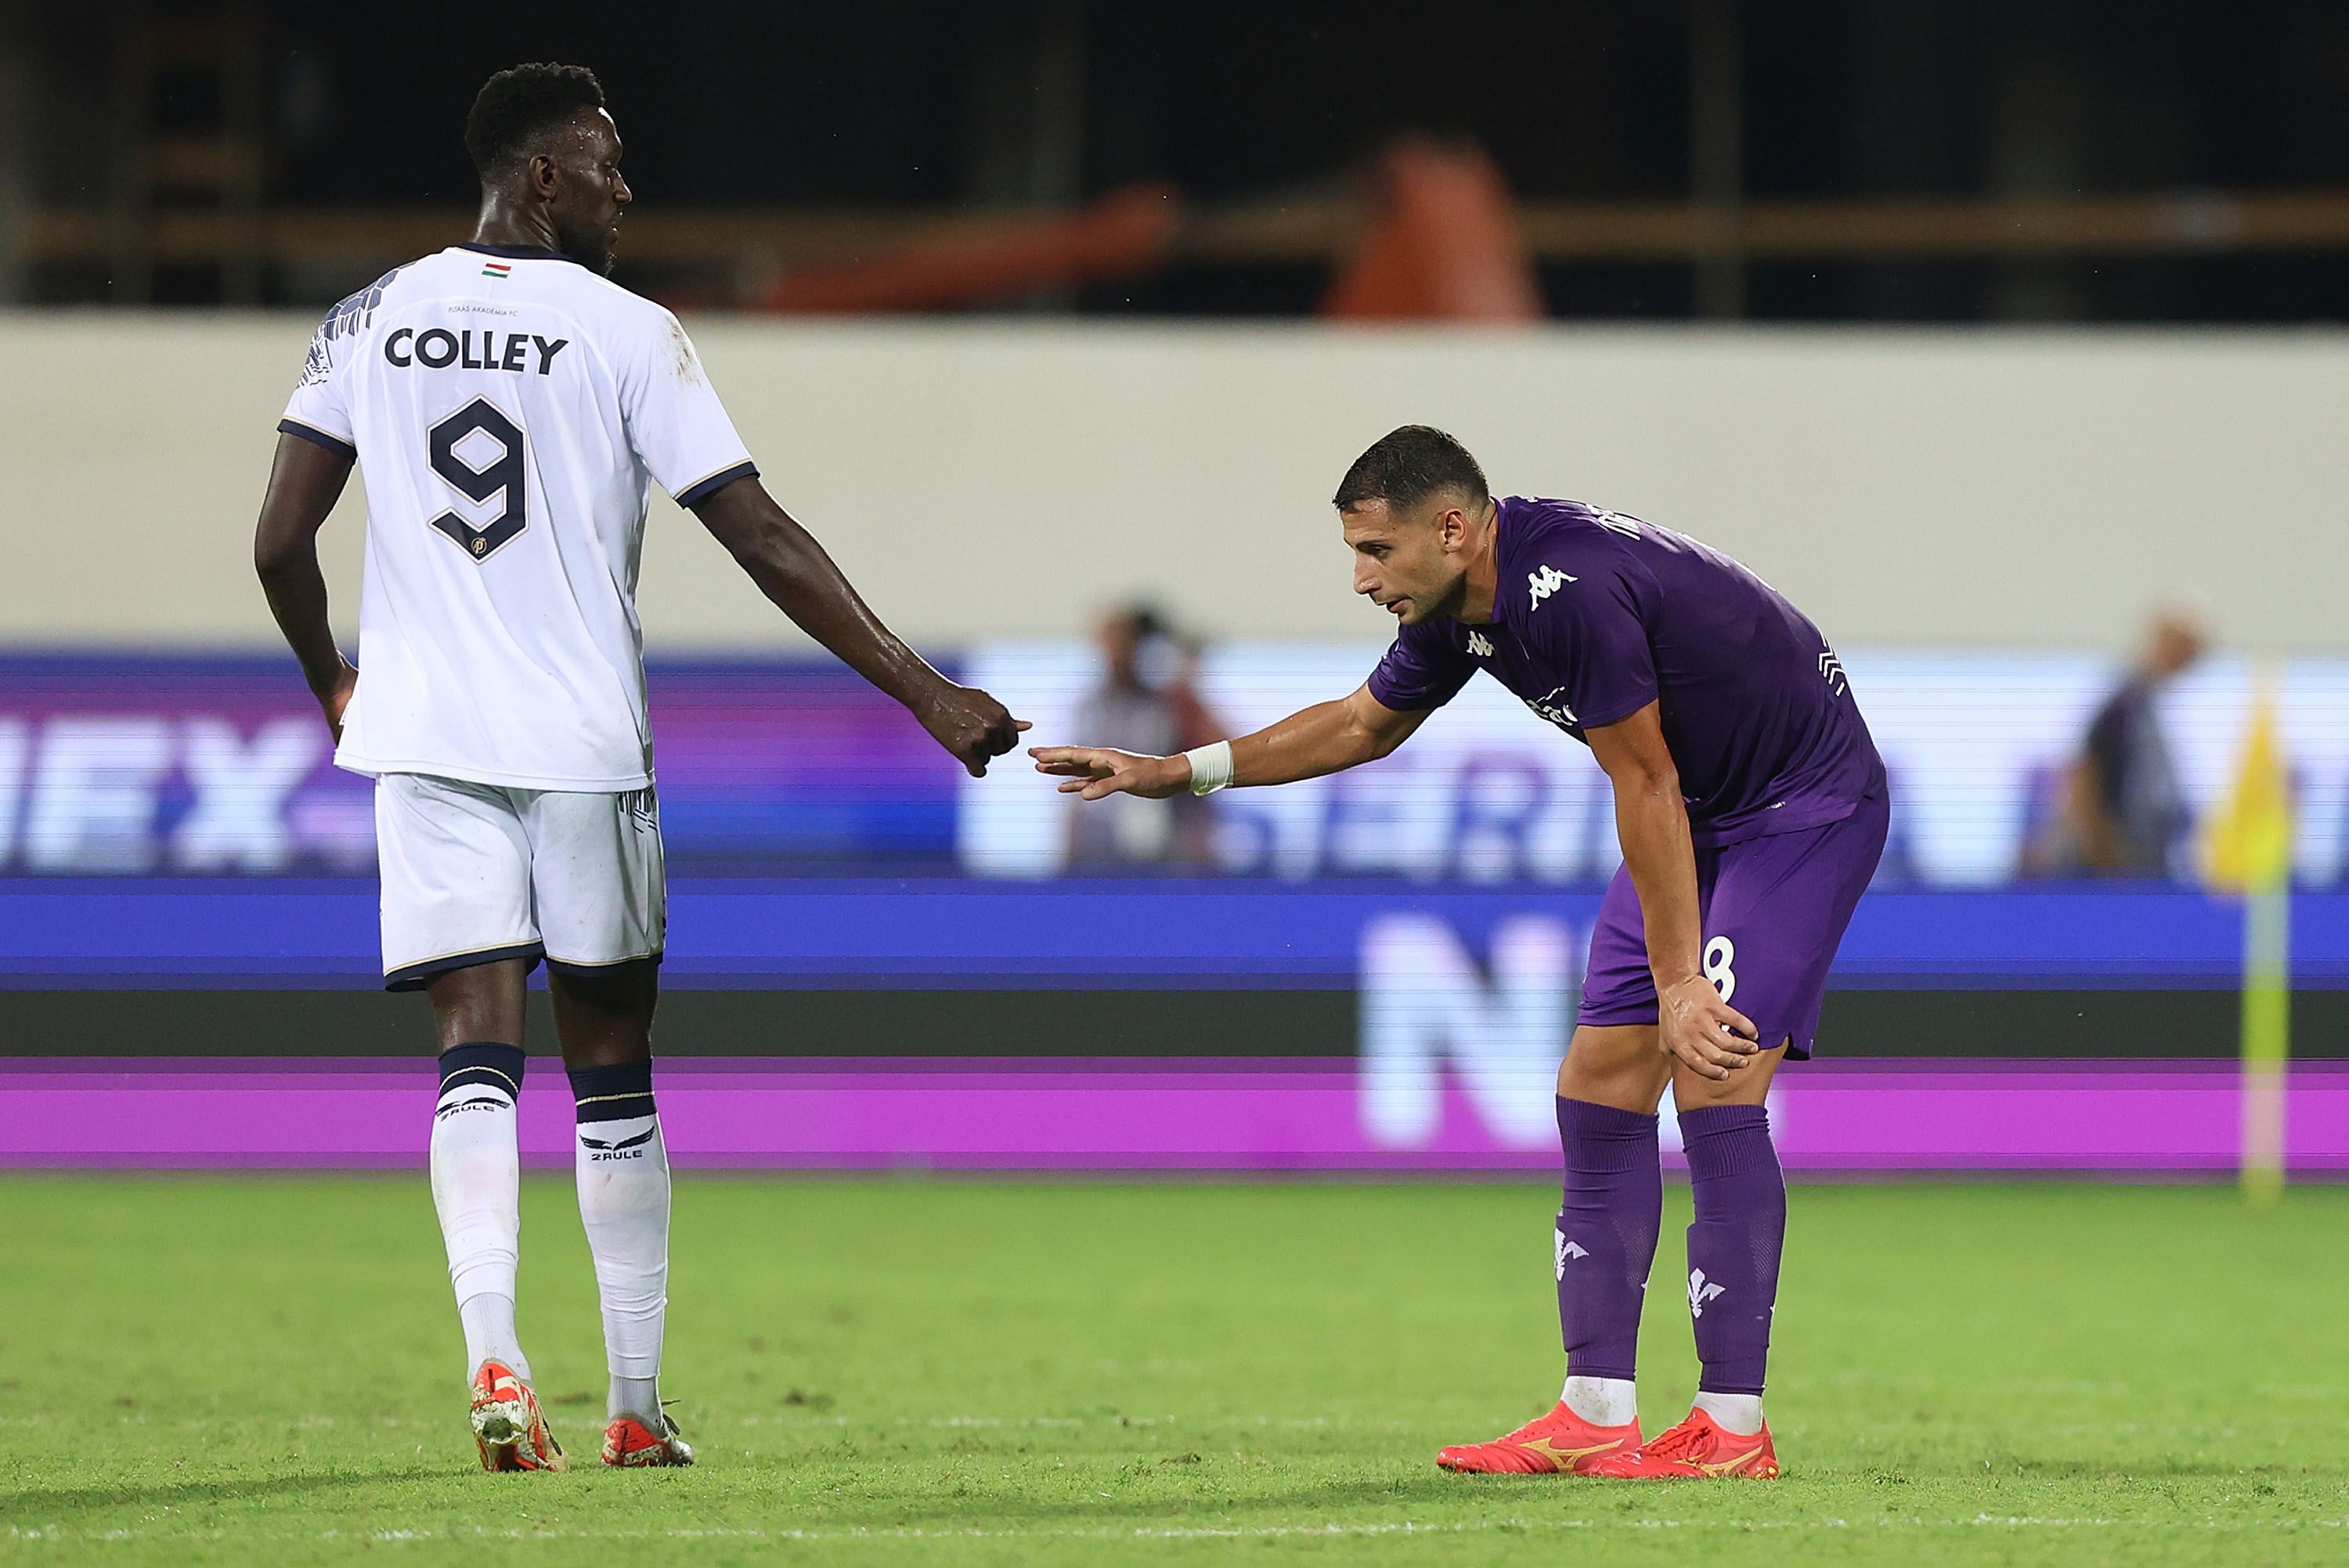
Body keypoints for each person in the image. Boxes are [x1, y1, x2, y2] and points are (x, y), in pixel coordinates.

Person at [252, 63, 1023, 1473]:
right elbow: (759, 530)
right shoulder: (627, 332)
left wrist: (332, 681)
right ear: (538, 176)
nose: (626, 188)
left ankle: (494, 1351)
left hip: (422, 738)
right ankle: (633, 1398)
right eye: (606, 164)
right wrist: (922, 689)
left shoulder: (367, 316)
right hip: (581, 743)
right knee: (611, 1062)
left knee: (471, 1053)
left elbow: (276, 542)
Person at [1034, 426, 1887, 1480]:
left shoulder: (1565, 591)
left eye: (1374, 551)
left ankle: (1731, 1423)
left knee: (1712, 1072)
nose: (1360, 577)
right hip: (1701, 810)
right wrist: (1177, 770)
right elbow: (1359, 725)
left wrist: (1676, 981)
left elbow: (1646, 780)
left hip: (1796, 809)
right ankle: (1595, 1407)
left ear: (1450, 527)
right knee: (1600, 1082)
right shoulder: (1459, 603)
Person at [2030, 611, 2205, 878]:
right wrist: (2105, 852)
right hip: (2114, 866)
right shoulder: (2124, 705)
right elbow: (2085, 775)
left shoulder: (2152, 706)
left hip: (2148, 860)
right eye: (2184, 647)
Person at [1065, 604, 1222, 869]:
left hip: (1168, 852)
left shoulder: (1174, 705)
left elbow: (1221, 757)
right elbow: (1075, 786)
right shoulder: (1091, 707)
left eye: (1124, 641)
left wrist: (1185, 678)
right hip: (1102, 849)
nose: (1113, 652)